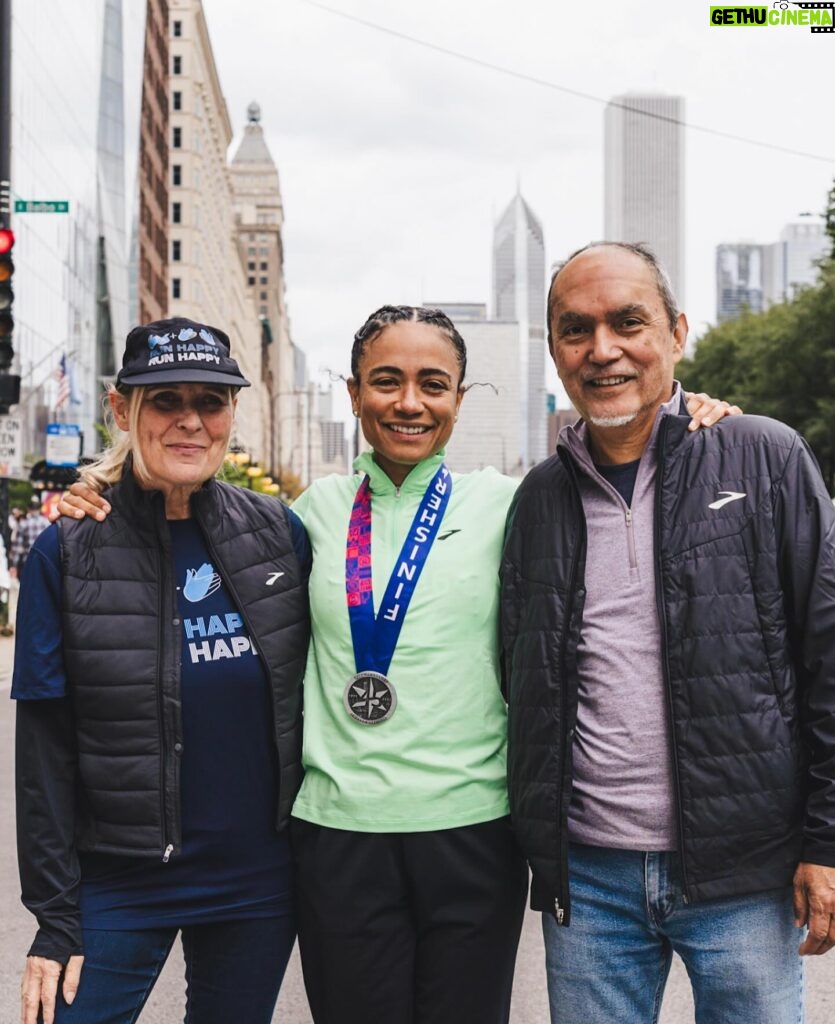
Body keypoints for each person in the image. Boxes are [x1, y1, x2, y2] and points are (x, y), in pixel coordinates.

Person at [57, 304, 733, 1024]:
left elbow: (624, 483)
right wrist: (100, 494)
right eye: (386, 381)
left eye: (432, 384)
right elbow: (186, 526)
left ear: (457, 401)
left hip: (475, 831)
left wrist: (691, 416)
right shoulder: (304, 516)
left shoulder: (516, 503)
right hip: (337, 834)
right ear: (354, 393)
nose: (409, 403)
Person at [500, 241, 835, 1024]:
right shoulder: (537, 498)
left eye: (628, 322)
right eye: (575, 329)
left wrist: (825, 839)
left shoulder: (762, 455)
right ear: (553, 349)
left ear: (676, 333)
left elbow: (826, 657)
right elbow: (513, 671)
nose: (602, 349)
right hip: (587, 882)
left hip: (745, 871)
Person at [14, 317, 310, 1024]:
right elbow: (43, 752)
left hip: (255, 883)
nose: (190, 421)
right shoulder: (68, 553)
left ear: (231, 414)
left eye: (209, 401)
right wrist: (55, 918)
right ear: (123, 410)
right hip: (118, 879)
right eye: (165, 400)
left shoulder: (279, 534)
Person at [9, 494, 49, 578]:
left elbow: (17, 546)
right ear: (39, 508)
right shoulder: (46, 523)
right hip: (44, 560)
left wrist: (14, 564)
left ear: (29, 509)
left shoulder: (24, 524)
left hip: (28, 559)